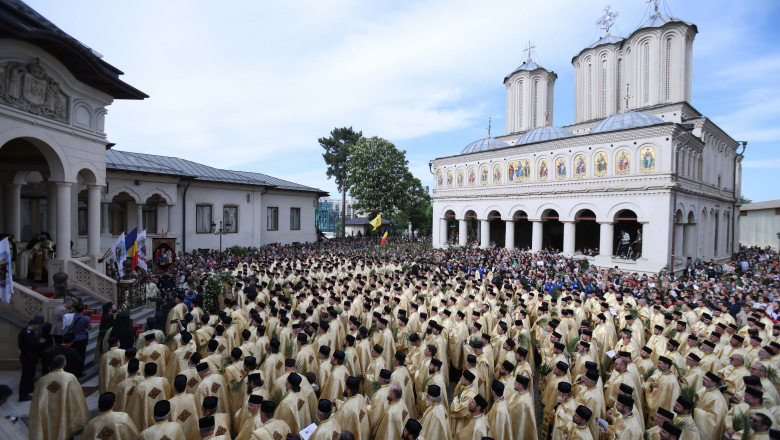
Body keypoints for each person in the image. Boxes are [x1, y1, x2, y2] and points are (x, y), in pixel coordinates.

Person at [28, 354, 90, 440]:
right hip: (64, 413)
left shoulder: (42, 380)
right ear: (64, 363)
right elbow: (77, 399)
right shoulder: (70, 378)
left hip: (47, 414)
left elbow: (36, 401)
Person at [17, 316, 45, 401]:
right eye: (38, 326)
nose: (38, 328)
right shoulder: (27, 334)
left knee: (30, 375)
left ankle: (29, 390)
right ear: (34, 325)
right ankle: (23, 396)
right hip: (28, 357)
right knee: (26, 376)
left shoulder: (27, 332)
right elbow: (32, 346)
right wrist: (40, 343)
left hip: (29, 356)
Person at [69, 301, 92, 368]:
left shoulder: (69, 317)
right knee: (81, 355)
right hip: (82, 338)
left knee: (72, 354)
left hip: (72, 338)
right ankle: (80, 370)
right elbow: (90, 327)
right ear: (83, 310)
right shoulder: (85, 318)